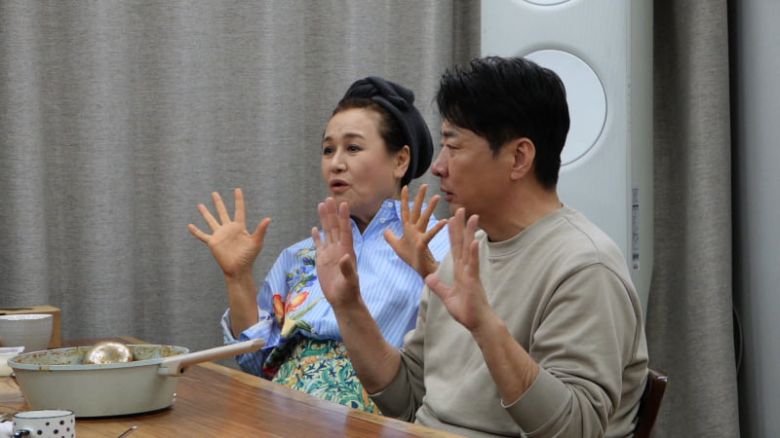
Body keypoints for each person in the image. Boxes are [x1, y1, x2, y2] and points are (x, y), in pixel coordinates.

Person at [312, 57, 649, 437]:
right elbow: (408, 399)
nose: (437, 166)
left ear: (518, 158)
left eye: (453, 146)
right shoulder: (465, 252)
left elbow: (575, 429)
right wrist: (349, 306)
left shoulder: (586, 266)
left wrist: (485, 326)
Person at [188, 77, 449, 413]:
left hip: (379, 417)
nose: (336, 163)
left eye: (353, 148)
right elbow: (255, 365)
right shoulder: (301, 255)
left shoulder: (439, 246)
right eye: (328, 150)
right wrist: (238, 277)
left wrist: (431, 271)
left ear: (400, 161)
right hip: (280, 414)